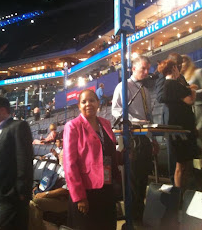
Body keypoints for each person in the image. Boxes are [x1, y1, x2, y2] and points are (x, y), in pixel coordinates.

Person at [63, 89, 120, 230]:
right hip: (86, 191)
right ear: (79, 106)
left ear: (98, 103)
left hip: (107, 187)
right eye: (84, 101)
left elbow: (108, 152)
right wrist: (79, 196)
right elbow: (70, 165)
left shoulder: (105, 124)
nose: (88, 104)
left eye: (92, 100)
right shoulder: (73, 126)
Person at [112, 55, 153, 223]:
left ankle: (139, 213)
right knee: (133, 179)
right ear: (133, 68)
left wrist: (153, 140)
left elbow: (149, 117)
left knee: (143, 178)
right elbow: (116, 112)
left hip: (145, 139)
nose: (146, 72)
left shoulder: (146, 91)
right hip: (131, 138)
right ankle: (134, 218)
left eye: (147, 69)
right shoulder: (123, 86)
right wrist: (136, 123)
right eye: (143, 68)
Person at [0, 96, 33, 230]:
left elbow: (24, 160)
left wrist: (21, 192)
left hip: (10, 197)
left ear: (3, 110)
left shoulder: (18, 126)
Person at [157, 59, 197, 188]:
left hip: (178, 127)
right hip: (181, 128)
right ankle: (180, 194)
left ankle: (180, 194)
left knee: (181, 165)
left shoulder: (168, 85)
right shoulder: (174, 84)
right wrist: (193, 90)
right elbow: (190, 100)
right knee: (182, 165)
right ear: (174, 68)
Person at [29, 164, 68, 230]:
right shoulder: (61, 167)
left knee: (35, 202)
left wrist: (45, 194)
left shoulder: (71, 168)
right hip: (52, 195)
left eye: (63, 154)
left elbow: (66, 190)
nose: (61, 155)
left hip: (64, 200)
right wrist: (39, 188)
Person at [181, 55, 202, 150]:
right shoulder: (182, 78)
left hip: (199, 110)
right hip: (189, 113)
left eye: (184, 61)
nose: (182, 64)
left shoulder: (197, 72)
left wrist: (192, 93)